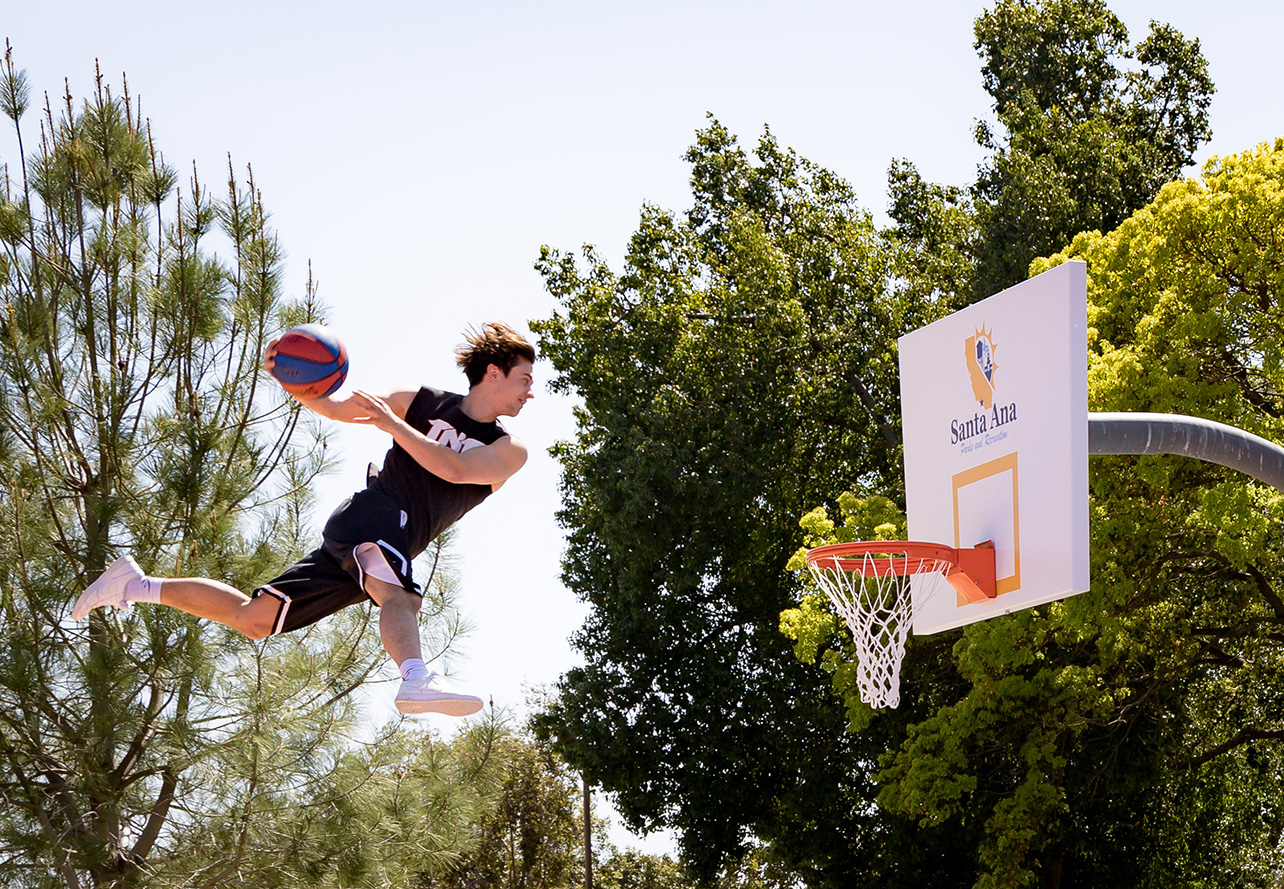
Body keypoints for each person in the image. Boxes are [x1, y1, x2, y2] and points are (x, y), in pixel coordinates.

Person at [73, 321, 536, 716]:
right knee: (398, 596)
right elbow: (333, 405)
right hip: (371, 515)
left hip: (380, 542)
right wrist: (289, 374)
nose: (529, 392)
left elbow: (452, 469)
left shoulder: (508, 449)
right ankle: (416, 678)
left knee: (253, 619)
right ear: (493, 373)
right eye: (523, 379)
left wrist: (394, 425)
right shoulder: (423, 400)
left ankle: (134, 585)